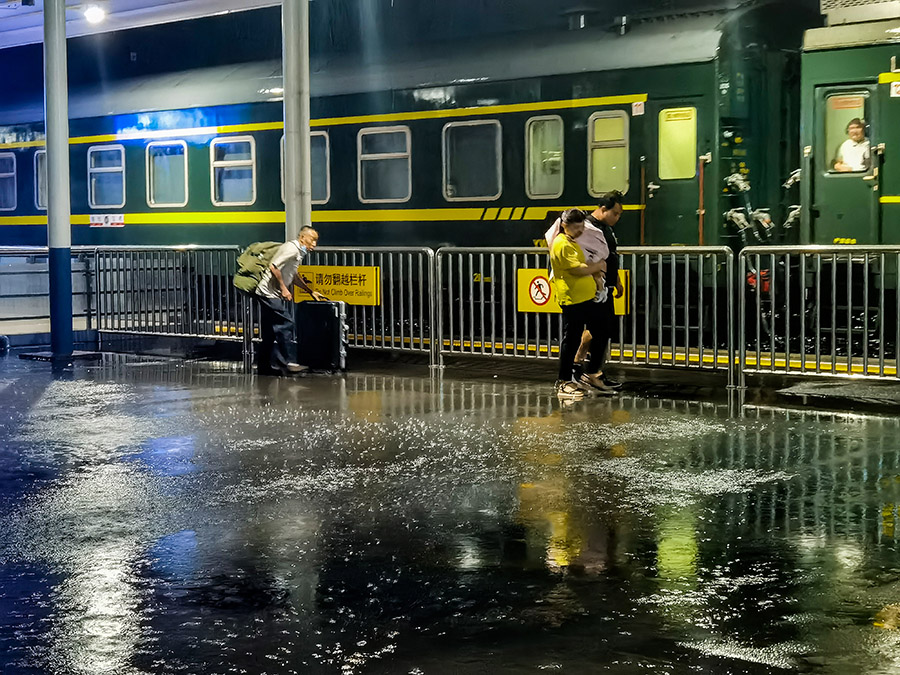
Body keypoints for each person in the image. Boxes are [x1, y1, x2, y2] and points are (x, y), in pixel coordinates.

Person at [549, 208, 613, 400]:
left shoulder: (571, 241)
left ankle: (587, 373)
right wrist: (599, 266)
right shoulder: (562, 244)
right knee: (571, 339)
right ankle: (563, 381)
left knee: (599, 329)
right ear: (564, 226)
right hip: (572, 299)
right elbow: (577, 269)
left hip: (584, 299)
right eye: (575, 228)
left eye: (581, 227)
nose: (579, 231)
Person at [255, 226, 326, 376]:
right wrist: (283, 289)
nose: (314, 244)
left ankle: (264, 367)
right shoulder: (292, 249)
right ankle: (288, 362)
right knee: (286, 323)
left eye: (316, 241)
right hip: (268, 293)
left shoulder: (297, 251)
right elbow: (274, 267)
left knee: (269, 332)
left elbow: (293, 276)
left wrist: (310, 291)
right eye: (312, 240)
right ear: (302, 238)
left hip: (269, 293)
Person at [574, 191, 625, 390]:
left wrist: (617, 279)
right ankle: (591, 372)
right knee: (600, 329)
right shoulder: (587, 227)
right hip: (596, 287)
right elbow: (588, 257)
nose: (617, 218)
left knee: (603, 329)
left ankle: (586, 368)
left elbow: (610, 255)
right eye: (615, 213)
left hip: (607, 285)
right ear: (603, 209)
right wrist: (598, 281)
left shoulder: (605, 227)